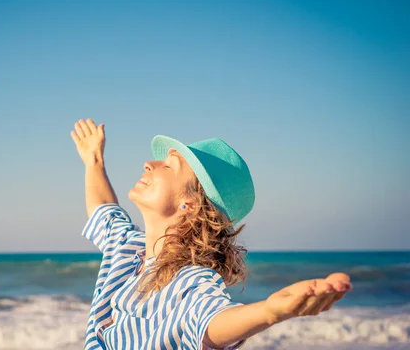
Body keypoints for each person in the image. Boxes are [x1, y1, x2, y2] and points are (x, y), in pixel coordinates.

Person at [71, 118, 352, 350]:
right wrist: (93, 159)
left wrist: (269, 312)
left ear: (189, 205)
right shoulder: (125, 247)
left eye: (169, 166)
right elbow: (105, 210)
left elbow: (212, 321)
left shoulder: (190, 279)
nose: (149, 163)